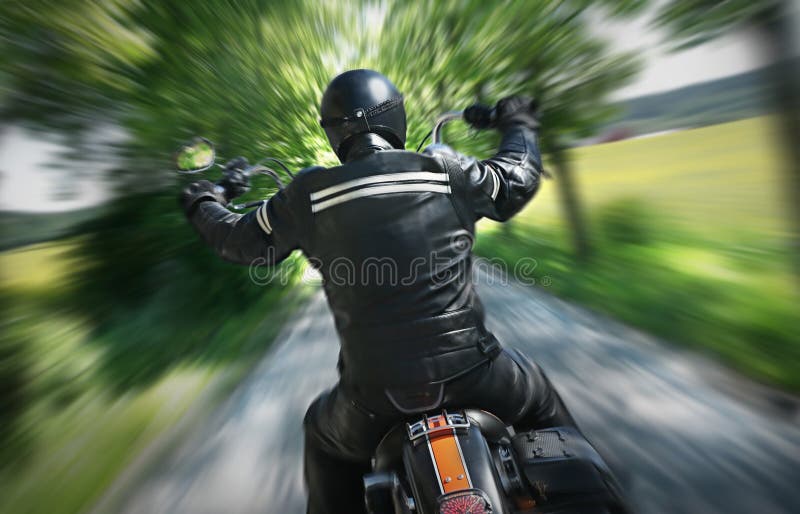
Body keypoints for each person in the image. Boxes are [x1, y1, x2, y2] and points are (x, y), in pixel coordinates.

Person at [181, 69, 576, 513]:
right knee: (539, 398)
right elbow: (516, 177)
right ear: (396, 118)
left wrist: (204, 198)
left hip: (372, 398)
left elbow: (236, 239)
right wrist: (518, 122)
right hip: (478, 375)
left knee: (322, 435)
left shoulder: (306, 196)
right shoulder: (447, 170)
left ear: (334, 133)